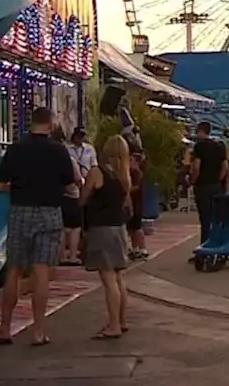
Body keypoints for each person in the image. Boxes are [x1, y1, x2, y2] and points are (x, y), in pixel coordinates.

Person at [0, 108, 76, 346]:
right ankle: (38, 331)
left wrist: (17, 188)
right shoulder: (59, 151)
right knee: (41, 273)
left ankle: (5, 329)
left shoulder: (15, 149)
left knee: (14, 270)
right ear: (50, 124)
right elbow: (70, 186)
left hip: (20, 212)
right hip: (49, 213)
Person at [81, 135, 133, 338]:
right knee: (119, 278)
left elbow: (84, 197)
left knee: (109, 279)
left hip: (101, 228)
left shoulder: (97, 172)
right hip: (118, 228)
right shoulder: (124, 177)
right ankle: (121, 320)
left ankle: (113, 325)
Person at [62, 126, 96, 266]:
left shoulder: (89, 149)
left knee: (85, 218)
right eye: (78, 136)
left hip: (87, 182)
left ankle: (81, 248)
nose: (80, 139)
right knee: (71, 222)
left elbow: (94, 164)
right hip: (73, 186)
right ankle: (68, 253)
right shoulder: (67, 150)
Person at [189, 122, 228, 245]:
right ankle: (217, 244)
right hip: (216, 186)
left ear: (200, 131)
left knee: (205, 220)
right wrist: (218, 179)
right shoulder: (219, 146)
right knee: (216, 217)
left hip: (203, 187)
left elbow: (196, 167)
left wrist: (193, 180)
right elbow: (225, 167)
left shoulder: (199, 147)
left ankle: (205, 247)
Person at [127, 152, 148, 260]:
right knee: (131, 228)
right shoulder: (129, 173)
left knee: (137, 227)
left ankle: (143, 248)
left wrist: (126, 188)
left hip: (137, 204)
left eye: (131, 160)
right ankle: (135, 248)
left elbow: (135, 187)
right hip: (131, 204)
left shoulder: (137, 174)